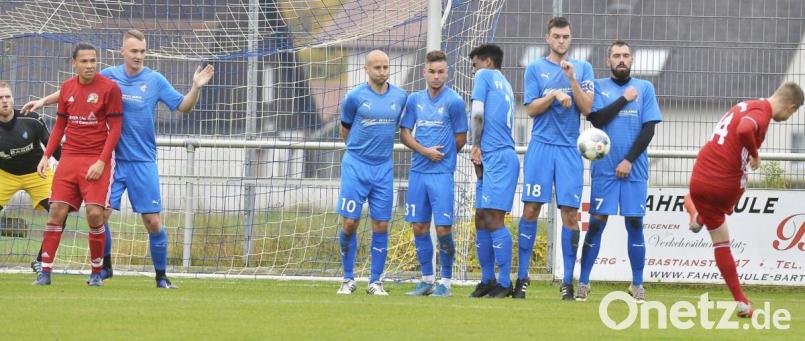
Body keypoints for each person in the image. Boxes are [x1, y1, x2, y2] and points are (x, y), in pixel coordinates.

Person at [24, 29, 215, 288]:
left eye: (142, 51)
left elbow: (183, 106)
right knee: (99, 215)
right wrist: (43, 101)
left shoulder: (155, 80)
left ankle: (161, 276)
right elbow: (75, 91)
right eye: (134, 51)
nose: (139, 56)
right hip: (110, 160)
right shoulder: (108, 76)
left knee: (153, 221)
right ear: (122, 52)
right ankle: (105, 267)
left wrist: (196, 88)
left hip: (142, 161)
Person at [684, 82, 803, 318]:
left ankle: (697, 217)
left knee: (709, 216)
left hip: (699, 176)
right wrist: (755, 154)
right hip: (723, 183)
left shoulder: (745, 105)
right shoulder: (761, 113)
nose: (789, 118)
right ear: (790, 107)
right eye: (793, 113)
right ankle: (742, 302)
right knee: (722, 241)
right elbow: (744, 130)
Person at [575, 40, 662, 303]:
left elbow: (649, 129)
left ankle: (637, 284)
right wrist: (624, 98)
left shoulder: (645, 88)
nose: (621, 59)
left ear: (632, 60)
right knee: (597, 223)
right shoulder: (599, 87)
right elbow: (596, 119)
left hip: (633, 169)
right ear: (608, 61)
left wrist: (628, 160)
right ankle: (584, 282)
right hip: (604, 169)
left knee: (634, 222)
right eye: (616, 56)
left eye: (625, 55)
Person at [32, 43, 124, 286]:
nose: (90, 65)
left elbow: (115, 129)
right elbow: (60, 126)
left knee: (95, 215)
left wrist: (102, 162)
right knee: (56, 212)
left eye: (93, 60)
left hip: (96, 158)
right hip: (70, 158)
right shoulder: (67, 88)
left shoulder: (109, 89)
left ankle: (96, 274)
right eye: (84, 61)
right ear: (74, 63)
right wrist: (46, 156)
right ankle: (45, 272)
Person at [518, 16, 594, 300]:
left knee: (570, 214)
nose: (561, 41)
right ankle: (522, 278)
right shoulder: (535, 68)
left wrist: (572, 80)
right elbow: (530, 110)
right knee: (530, 210)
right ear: (547, 38)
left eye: (566, 36)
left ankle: (567, 282)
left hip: (568, 151)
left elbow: (587, 108)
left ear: (570, 39)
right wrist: (553, 95)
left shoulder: (583, 68)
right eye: (556, 36)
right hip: (541, 147)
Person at [335, 50, 408, 296]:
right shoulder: (354, 97)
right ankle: (347, 279)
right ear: (367, 69)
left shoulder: (400, 96)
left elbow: (404, 129)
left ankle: (375, 281)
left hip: (383, 168)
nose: (382, 71)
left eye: (386, 67)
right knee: (350, 222)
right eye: (377, 67)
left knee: (381, 224)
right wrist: (358, 153)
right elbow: (345, 130)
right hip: (356, 165)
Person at [399, 50, 467, 297]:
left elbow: (461, 138)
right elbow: (404, 133)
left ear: (446, 73)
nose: (436, 76)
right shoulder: (414, 100)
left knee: (443, 229)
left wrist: (444, 158)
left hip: (441, 175)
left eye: (441, 72)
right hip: (418, 171)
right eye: (432, 71)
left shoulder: (454, 102)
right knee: (419, 227)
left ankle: (446, 283)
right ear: (424, 72)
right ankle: (427, 280)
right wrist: (425, 151)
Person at [467, 44, 519, 298]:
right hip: (493, 156)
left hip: (497, 156)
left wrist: (475, 144)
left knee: (494, 219)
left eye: (474, 63)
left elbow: (477, 113)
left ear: (487, 62)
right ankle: (487, 280)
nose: (473, 68)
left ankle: (504, 283)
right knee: (481, 219)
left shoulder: (484, 76)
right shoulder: (505, 83)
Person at [0, 82, 62, 253]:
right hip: (5, 175)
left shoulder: (31, 119)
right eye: (0, 98)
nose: (5, 101)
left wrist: (70, 168)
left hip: (37, 174)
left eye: (7, 97)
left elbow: (53, 147)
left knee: (59, 214)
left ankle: (42, 261)